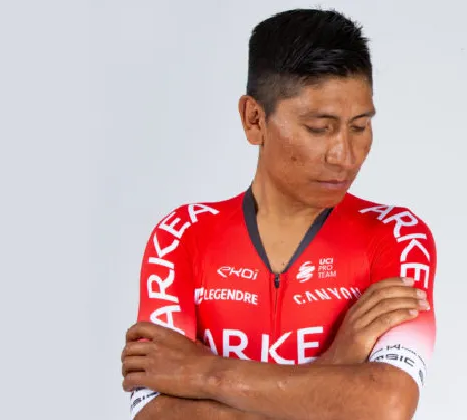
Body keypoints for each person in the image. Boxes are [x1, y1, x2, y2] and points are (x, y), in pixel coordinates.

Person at [121, 8, 437, 420]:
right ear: (254, 119)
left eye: (359, 127)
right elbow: (155, 415)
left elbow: (386, 405)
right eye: (319, 128)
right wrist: (335, 364)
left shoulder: (397, 235)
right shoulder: (182, 235)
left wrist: (207, 374)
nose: (344, 155)